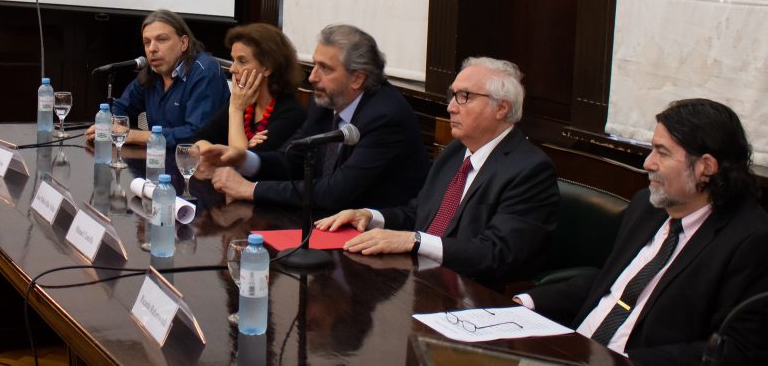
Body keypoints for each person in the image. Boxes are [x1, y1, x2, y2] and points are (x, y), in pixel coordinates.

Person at [519, 98, 768, 366]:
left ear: (705, 168)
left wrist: (623, 362)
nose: (647, 163)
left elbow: (733, 351)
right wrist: (526, 302)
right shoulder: (648, 206)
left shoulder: (751, 241)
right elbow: (608, 282)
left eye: (661, 153)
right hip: (571, 352)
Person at [315, 57, 558, 288]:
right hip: (424, 278)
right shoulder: (455, 152)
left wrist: (416, 240)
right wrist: (370, 216)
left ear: (501, 108)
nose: (451, 107)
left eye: (465, 97)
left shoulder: (529, 170)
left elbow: (497, 253)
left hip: (474, 294)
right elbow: (419, 214)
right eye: (453, 95)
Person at [202, 24, 428, 211]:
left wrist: (251, 190)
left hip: (377, 236)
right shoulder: (325, 102)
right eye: (314, 65)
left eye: (325, 68)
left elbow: (335, 192)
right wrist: (243, 159)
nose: (312, 77)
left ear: (357, 79)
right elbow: (293, 160)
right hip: (328, 222)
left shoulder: (385, 117)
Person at [88, 9, 229, 146]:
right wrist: (110, 126)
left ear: (183, 43)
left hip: (199, 165)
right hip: (158, 159)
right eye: (147, 42)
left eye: (161, 40)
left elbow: (196, 134)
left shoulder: (205, 70)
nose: (152, 49)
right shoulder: (152, 73)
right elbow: (121, 106)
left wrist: (136, 136)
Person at [193, 23, 306, 153]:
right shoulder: (244, 101)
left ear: (267, 67)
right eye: (233, 60)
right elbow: (198, 140)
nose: (232, 69)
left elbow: (243, 165)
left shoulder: (291, 113)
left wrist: (236, 110)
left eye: (242, 61)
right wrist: (235, 150)